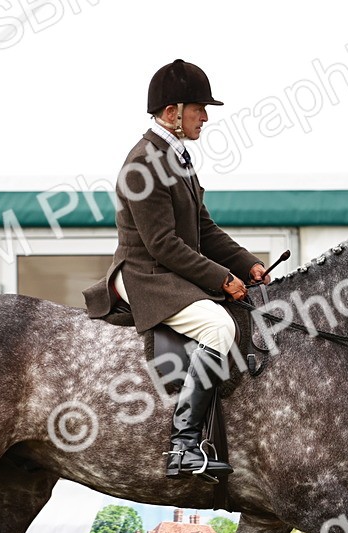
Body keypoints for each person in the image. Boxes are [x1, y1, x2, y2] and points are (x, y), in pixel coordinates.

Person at [84, 59, 271, 480]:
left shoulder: (176, 156)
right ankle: (183, 445)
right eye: (198, 109)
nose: (205, 117)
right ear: (172, 112)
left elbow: (203, 228)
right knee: (219, 329)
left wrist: (247, 263)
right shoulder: (143, 164)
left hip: (169, 270)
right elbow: (162, 244)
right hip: (146, 275)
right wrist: (221, 279)